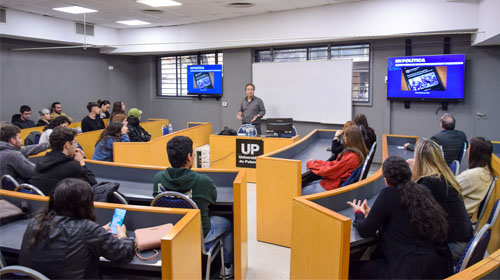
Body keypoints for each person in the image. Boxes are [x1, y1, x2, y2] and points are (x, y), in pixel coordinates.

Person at [347, 156, 452, 279]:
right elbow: (401, 218)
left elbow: (365, 230)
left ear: (386, 181)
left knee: (352, 267)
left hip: (408, 271)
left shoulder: (389, 193)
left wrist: (359, 213)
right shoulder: (422, 191)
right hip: (435, 267)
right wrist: (375, 214)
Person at [19, 178, 134, 279]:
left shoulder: (35, 222)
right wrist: (122, 235)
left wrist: (98, 231)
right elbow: (123, 253)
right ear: (85, 204)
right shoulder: (87, 229)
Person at [152, 136, 234, 278]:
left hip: (169, 232)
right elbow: (212, 200)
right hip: (198, 234)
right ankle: (227, 268)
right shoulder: (202, 181)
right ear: (189, 157)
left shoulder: (158, 178)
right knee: (228, 223)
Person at [411, 139, 473, 261]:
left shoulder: (429, 183)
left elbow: (411, 212)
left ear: (419, 160)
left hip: (453, 245)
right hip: (463, 239)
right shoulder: (443, 176)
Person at [302, 125, 368, 195]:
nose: (344, 138)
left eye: (345, 136)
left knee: (301, 190)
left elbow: (330, 170)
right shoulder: (355, 154)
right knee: (305, 184)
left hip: (332, 186)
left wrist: (311, 164)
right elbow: (334, 164)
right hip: (332, 182)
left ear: (351, 139)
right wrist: (317, 162)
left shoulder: (351, 156)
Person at [30, 127, 97, 195]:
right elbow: (93, 183)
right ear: (67, 145)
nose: (76, 145)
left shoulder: (40, 162)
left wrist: (69, 156)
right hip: (61, 204)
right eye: (75, 142)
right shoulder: (73, 166)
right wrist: (81, 162)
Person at [456, 137, 496, 218]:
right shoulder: (486, 172)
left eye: (469, 148)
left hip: (455, 218)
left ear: (474, 152)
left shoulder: (472, 175)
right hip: (462, 216)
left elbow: (447, 190)